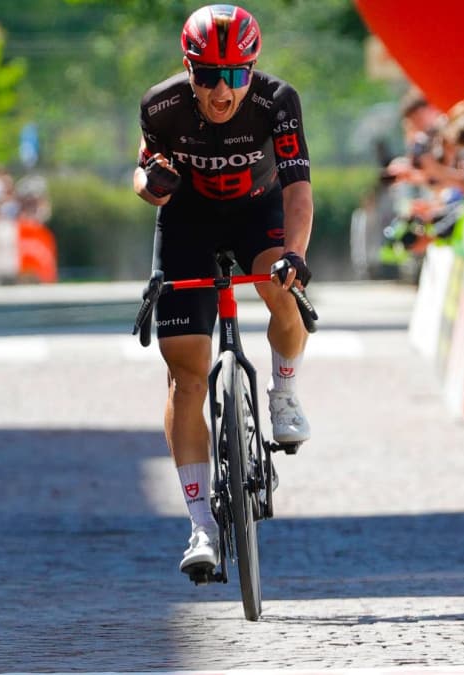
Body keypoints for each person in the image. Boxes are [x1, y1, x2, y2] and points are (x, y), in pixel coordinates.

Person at [134, 4, 313, 578]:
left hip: (257, 214)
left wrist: (295, 256)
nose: (220, 89)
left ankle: (283, 391)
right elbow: (144, 173)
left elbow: (298, 192)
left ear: (251, 70)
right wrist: (150, 186)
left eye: (234, 75)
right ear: (188, 69)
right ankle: (199, 526)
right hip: (187, 222)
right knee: (186, 376)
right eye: (208, 74)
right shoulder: (159, 106)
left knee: (282, 292)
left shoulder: (276, 101)